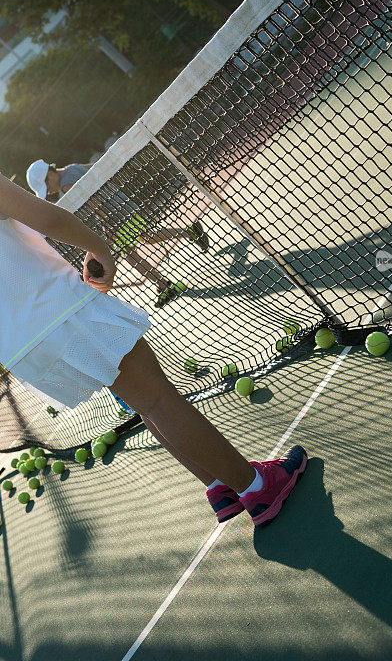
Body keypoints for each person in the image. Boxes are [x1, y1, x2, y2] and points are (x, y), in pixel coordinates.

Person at [0, 172, 307, 526]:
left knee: (144, 399)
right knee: (158, 399)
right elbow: (49, 217)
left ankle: (219, 484)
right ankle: (256, 488)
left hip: (22, 349)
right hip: (58, 312)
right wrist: (99, 248)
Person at [26, 159, 210, 308]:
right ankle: (189, 232)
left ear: (50, 173)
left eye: (46, 185)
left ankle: (164, 284)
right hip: (124, 204)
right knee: (147, 237)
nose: (49, 191)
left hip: (116, 217)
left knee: (131, 254)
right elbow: (100, 167)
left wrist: (108, 226)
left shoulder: (67, 185)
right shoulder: (73, 166)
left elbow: (95, 203)